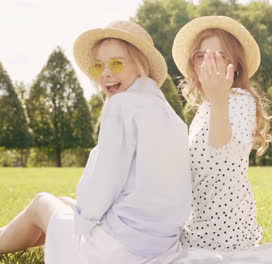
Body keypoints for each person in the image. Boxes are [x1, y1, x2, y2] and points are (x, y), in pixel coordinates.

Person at [0, 20, 191, 264]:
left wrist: (82, 226)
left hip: (118, 250)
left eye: (117, 63)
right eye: (98, 66)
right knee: (64, 204)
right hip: (159, 245)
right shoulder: (167, 114)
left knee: (42, 203)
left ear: (140, 63)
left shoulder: (122, 105)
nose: (105, 73)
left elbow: (104, 179)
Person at [172, 15, 272, 251]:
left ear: (236, 65)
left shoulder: (240, 100)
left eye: (220, 56)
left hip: (227, 238)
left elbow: (224, 148)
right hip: (196, 231)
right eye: (201, 56)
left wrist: (218, 99)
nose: (209, 63)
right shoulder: (205, 108)